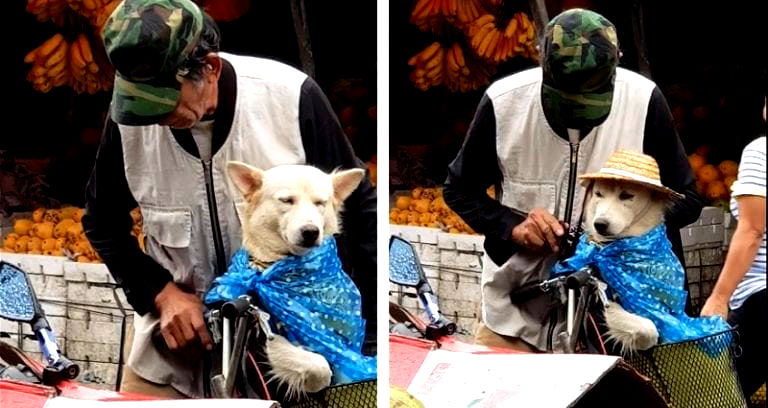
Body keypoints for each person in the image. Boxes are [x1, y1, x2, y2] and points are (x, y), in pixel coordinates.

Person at [82, 0, 376, 398]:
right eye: (141, 99)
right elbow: (102, 222)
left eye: (166, 98)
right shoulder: (128, 122)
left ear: (211, 69)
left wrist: (371, 341)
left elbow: (361, 216)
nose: (154, 116)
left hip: (296, 355)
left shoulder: (290, 97)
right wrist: (161, 293)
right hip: (175, 354)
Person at [443, 8, 703, 352]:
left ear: (616, 66)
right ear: (543, 67)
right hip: (515, 317)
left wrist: (618, 231)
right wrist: (513, 226)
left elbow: (688, 199)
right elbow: (459, 189)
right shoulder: (504, 102)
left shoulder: (643, 100)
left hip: (615, 328)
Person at [701, 100, 765, 399]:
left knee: (719, 398)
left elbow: (752, 230)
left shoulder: (761, 151)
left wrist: (719, 297)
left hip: (762, 299)